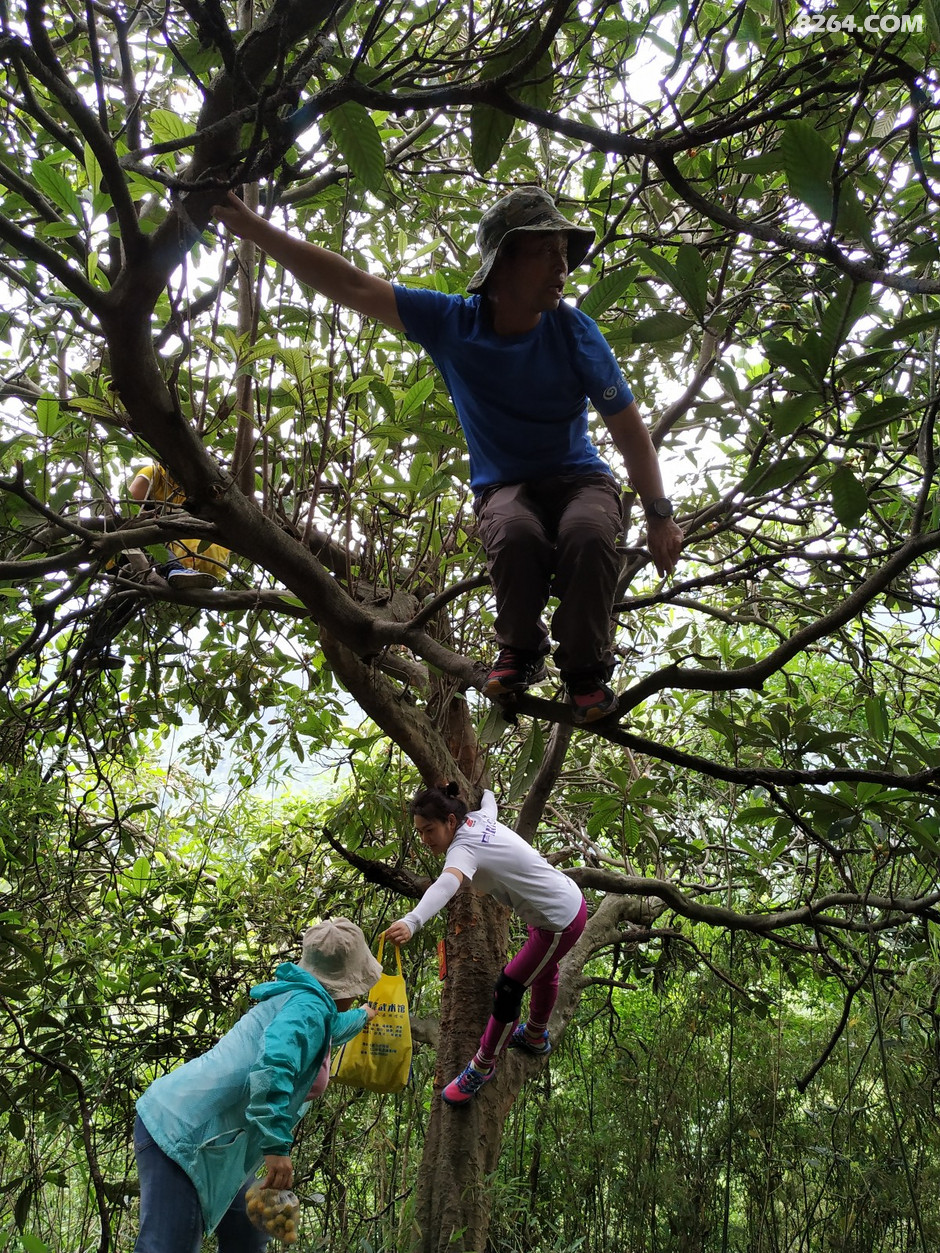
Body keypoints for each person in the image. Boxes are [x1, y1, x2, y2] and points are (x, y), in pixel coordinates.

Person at [213, 185, 683, 724]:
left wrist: (659, 514)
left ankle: (584, 670)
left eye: (564, 252)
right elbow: (350, 284)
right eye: (545, 251)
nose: (563, 266)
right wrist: (255, 229)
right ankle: (522, 649)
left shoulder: (576, 332)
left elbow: (628, 431)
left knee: (588, 532)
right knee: (515, 535)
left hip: (580, 478)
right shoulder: (452, 323)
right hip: (505, 487)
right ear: (503, 262)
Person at [133, 918, 380, 1253]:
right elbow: (274, 1064)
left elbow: (328, 1026)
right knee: (167, 1247)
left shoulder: (307, 1003)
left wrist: (363, 1016)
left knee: (249, 1236)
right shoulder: (307, 1008)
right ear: (346, 983)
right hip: (186, 1135)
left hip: (218, 1141)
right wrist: (277, 1147)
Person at [384, 784, 586, 1106]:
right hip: (558, 903)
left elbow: (448, 883)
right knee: (544, 971)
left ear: (451, 821)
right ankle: (535, 1036)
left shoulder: (463, 849)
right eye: (420, 832)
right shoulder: (478, 819)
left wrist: (412, 920)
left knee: (508, 988)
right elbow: (490, 806)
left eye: (429, 830)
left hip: (559, 920)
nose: (424, 839)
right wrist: (488, 792)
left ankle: (483, 1065)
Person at [82, 464, 228, 671]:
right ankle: (174, 570)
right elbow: (126, 516)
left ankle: (91, 652)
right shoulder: (154, 473)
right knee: (152, 542)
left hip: (146, 560)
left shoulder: (190, 492)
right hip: (127, 547)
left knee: (123, 603)